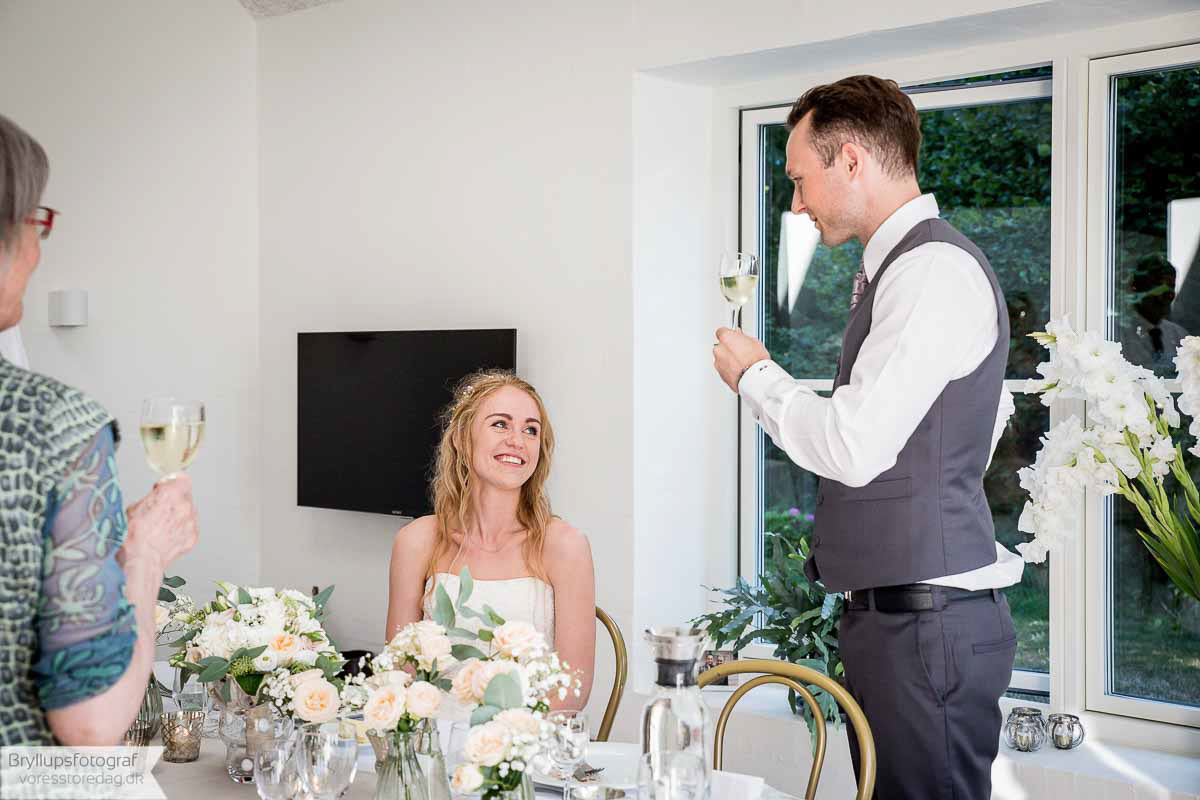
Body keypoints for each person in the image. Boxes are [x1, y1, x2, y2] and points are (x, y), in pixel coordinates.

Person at [712, 76, 1023, 799]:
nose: (796, 204)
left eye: (799, 179)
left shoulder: (930, 271)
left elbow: (852, 447)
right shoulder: (906, 268)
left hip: (925, 629)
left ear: (850, 160)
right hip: (904, 624)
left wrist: (755, 376)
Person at [0, 114, 199, 746]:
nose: (38, 251)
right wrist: (144, 554)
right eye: (36, 223)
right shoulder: (55, 425)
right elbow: (89, 725)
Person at [386, 370, 595, 708]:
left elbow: (572, 691)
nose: (518, 441)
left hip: (527, 737)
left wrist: (505, 739)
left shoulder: (565, 546)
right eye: (500, 424)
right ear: (461, 437)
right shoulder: (416, 541)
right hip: (435, 736)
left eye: (531, 430)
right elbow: (399, 673)